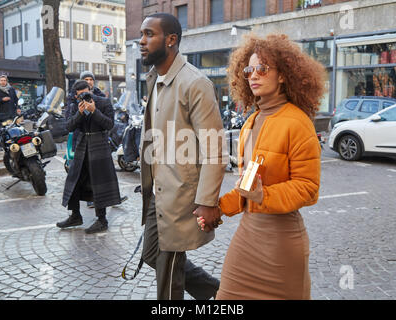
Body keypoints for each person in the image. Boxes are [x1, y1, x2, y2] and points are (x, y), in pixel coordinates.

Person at [199, 33, 325, 300]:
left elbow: (308, 188)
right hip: (248, 237)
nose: (253, 75)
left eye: (262, 68)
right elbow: (248, 189)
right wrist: (217, 208)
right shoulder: (250, 123)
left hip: (282, 244)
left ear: (282, 75)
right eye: (249, 69)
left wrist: (263, 195)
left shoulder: (298, 122)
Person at [138, 13, 227, 300]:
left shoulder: (195, 83)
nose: (141, 41)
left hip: (181, 197)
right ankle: (217, 291)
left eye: (149, 34)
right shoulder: (155, 79)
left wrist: (207, 201)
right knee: (152, 254)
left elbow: (215, 148)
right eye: (141, 34)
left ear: (171, 40)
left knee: (168, 272)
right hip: (158, 192)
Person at [57, 80, 121, 234]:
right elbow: (69, 126)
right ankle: (75, 215)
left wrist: (94, 111)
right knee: (74, 180)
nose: (84, 97)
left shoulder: (104, 102)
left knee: (99, 183)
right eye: (80, 95)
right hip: (82, 145)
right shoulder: (74, 106)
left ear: (91, 89)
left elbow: (110, 125)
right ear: (76, 95)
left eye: (86, 93)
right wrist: (79, 113)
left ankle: (102, 220)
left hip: (99, 145)